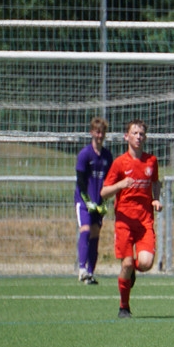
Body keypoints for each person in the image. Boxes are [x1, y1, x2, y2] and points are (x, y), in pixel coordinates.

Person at [100, 119, 162, 319]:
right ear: (126, 136)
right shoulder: (119, 163)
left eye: (141, 134)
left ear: (145, 137)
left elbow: (156, 182)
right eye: (134, 133)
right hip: (124, 221)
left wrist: (156, 199)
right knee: (126, 264)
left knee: (146, 263)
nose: (138, 137)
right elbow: (104, 192)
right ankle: (124, 307)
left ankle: (130, 272)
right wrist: (121, 185)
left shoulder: (151, 161)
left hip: (144, 221)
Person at [74, 117, 113, 284]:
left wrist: (104, 202)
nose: (100, 135)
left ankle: (90, 273)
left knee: (96, 233)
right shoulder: (85, 154)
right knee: (85, 229)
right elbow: (81, 181)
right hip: (84, 201)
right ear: (91, 133)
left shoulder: (107, 156)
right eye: (97, 132)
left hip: (99, 201)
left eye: (102, 132)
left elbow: (110, 180)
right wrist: (87, 200)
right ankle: (82, 269)